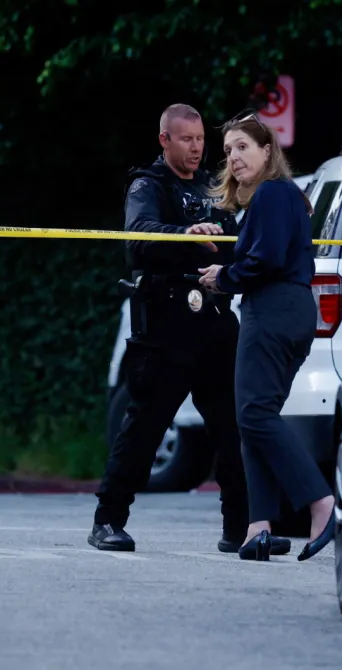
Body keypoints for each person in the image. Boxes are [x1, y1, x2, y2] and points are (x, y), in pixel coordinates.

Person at [89, 103, 292, 556]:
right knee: (145, 428)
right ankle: (108, 521)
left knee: (232, 429)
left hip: (217, 321)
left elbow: (239, 244)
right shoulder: (149, 184)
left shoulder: (213, 185)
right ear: (165, 140)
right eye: (187, 140)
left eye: (201, 140)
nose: (197, 148)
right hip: (166, 323)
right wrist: (185, 232)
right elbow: (137, 236)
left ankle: (240, 528)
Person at [198, 111, 336, 562]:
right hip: (284, 310)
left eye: (242, 147)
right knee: (254, 418)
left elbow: (266, 260)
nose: (233, 158)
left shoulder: (275, 193)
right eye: (228, 151)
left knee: (254, 415)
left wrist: (226, 277)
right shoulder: (276, 199)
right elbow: (261, 251)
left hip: (274, 309)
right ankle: (258, 527)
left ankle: (322, 503)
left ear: (267, 151)